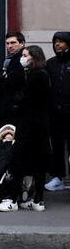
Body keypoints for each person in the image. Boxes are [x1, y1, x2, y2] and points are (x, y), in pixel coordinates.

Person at [0, 45, 51, 212]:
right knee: (37, 163)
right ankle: (37, 200)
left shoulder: (36, 76)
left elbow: (25, 100)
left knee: (17, 161)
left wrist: (17, 102)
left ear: (34, 57)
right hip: (39, 126)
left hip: (29, 126)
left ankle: (12, 199)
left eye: (26, 55)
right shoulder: (41, 75)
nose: (22, 58)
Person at [44, 31, 70, 192]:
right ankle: (57, 177)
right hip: (55, 113)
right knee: (57, 146)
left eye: (61, 42)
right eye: (55, 42)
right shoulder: (51, 63)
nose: (57, 44)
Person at [0, 31, 26, 126]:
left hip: (17, 107)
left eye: (13, 43)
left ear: (22, 43)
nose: (9, 46)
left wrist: (3, 79)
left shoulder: (23, 59)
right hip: (10, 105)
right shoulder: (10, 59)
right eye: (7, 43)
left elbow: (14, 82)